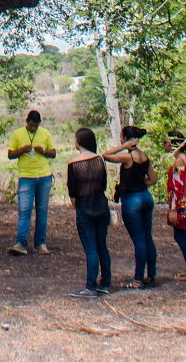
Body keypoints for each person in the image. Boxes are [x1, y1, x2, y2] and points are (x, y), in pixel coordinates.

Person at [104, 124, 157, 288]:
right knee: (147, 237)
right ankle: (151, 275)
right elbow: (153, 179)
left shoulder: (128, 157)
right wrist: (141, 183)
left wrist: (123, 147)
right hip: (145, 196)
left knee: (139, 240)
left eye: (122, 137)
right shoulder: (144, 156)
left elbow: (105, 155)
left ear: (126, 139)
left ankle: (137, 279)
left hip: (132, 200)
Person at [65, 126, 113, 297]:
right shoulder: (100, 160)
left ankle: (90, 286)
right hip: (101, 205)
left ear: (79, 141)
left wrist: (76, 204)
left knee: (91, 249)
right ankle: (105, 283)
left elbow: (73, 193)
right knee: (102, 246)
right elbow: (104, 184)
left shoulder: (73, 163)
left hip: (85, 208)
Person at [6, 109, 56, 255]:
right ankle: (21, 243)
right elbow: (10, 154)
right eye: (31, 125)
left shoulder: (45, 133)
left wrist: (44, 151)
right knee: (24, 211)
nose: (33, 128)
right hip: (26, 177)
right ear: (26, 121)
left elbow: (53, 153)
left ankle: (40, 243)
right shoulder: (17, 134)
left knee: (42, 210)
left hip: (44, 176)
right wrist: (21, 150)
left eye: (36, 126)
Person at [165, 133, 186, 280]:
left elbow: (176, 188)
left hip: (183, 205)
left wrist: (173, 209)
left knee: (181, 237)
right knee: (182, 236)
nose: (164, 144)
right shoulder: (184, 159)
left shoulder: (179, 161)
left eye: (166, 142)